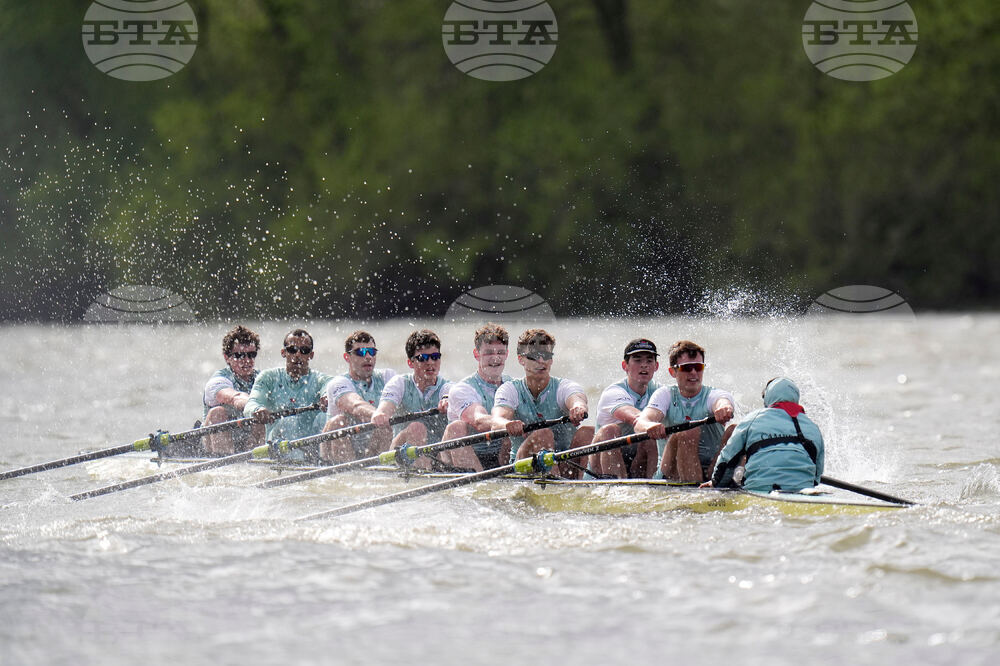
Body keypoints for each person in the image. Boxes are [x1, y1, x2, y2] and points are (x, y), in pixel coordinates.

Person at [492, 329, 592, 479]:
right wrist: (508, 424)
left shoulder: (563, 387)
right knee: (543, 433)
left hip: (564, 463)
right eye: (533, 356)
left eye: (546, 356)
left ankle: (584, 484)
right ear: (521, 359)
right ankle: (556, 486)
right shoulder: (510, 389)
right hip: (525, 463)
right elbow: (497, 419)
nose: (541, 361)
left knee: (587, 431)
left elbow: (577, 398)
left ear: (551, 360)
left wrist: (578, 407)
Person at [634, 340, 736, 482]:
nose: (694, 372)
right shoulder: (665, 394)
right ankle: (695, 490)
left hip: (712, 468)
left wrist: (724, 408)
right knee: (689, 432)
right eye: (687, 368)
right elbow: (641, 422)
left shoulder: (714, 394)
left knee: (735, 430)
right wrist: (650, 426)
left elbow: (722, 402)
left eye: (698, 367)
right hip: (671, 471)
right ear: (673, 371)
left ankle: (720, 479)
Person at [702, 377, 824, 493]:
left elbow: (726, 460)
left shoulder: (752, 419)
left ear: (768, 398)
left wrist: (716, 484)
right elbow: (816, 476)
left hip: (759, 489)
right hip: (803, 491)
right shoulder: (813, 427)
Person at [245, 329, 332, 458]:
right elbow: (251, 404)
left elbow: (329, 388)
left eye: (304, 350)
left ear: (311, 355)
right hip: (279, 445)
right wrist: (258, 409)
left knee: (325, 418)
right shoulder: (268, 377)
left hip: (312, 446)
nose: (297, 354)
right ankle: (296, 460)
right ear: (283, 353)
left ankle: (325, 459)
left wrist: (327, 397)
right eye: (292, 350)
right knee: (289, 421)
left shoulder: (322, 380)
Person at [371, 329, 450, 466]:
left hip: (436, 456)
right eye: (423, 358)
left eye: (435, 356)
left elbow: (450, 393)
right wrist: (381, 414)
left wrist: (448, 400)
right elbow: (385, 408)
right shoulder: (399, 383)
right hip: (400, 453)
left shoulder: (447, 387)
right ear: (410, 363)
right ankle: (424, 472)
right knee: (417, 428)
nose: (430, 362)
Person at [442, 323, 513, 471]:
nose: (495, 358)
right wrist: (507, 424)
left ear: (506, 354)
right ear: (476, 354)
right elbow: (479, 421)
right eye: (488, 353)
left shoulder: (513, 386)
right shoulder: (462, 389)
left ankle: (507, 473)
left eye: (500, 352)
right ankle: (478, 483)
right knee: (456, 427)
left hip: (499, 455)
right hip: (462, 455)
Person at [321, 331, 397, 462]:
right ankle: (350, 474)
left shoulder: (387, 377)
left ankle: (379, 470)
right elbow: (355, 405)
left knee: (384, 426)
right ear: (347, 357)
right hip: (336, 453)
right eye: (360, 352)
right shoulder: (338, 383)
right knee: (338, 422)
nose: (368, 357)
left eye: (372, 352)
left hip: (373, 449)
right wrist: (379, 414)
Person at [593, 338, 661, 478]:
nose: (644, 366)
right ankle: (616, 488)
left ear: (656, 366)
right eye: (637, 360)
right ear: (625, 366)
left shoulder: (661, 392)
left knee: (651, 437)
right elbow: (636, 418)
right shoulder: (613, 392)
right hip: (601, 466)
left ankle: (655, 486)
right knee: (611, 430)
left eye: (649, 361)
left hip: (637, 461)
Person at [201, 325, 264, 455]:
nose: (246, 360)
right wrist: (255, 406)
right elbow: (235, 398)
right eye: (239, 355)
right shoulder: (218, 380)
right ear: (227, 357)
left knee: (262, 417)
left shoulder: (262, 378)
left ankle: (256, 460)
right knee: (217, 412)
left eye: (251, 355)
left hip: (250, 440)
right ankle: (223, 462)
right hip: (214, 444)